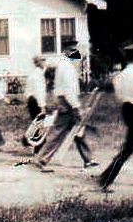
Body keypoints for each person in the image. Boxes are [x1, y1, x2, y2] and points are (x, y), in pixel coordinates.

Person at [35, 40, 98, 170]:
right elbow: (68, 90)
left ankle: (88, 159)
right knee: (59, 132)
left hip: (66, 101)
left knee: (78, 129)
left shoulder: (66, 65)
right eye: (71, 50)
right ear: (65, 52)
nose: (74, 53)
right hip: (67, 103)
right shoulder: (66, 67)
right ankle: (42, 159)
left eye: (75, 50)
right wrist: (75, 106)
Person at [96, 43, 133, 189]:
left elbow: (119, 96)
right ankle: (105, 179)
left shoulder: (120, 76)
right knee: (129, 149)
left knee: (131, 147)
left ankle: (105, 179)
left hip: (127, 110)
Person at [22, 55, 47, 153]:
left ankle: (33, 144)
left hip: (32, 100)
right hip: (36, 101)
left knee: (37, 124)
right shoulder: (38, 75)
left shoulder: (34, 73)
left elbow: (27, 91)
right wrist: (42, 105)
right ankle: (33, 144)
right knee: (39, 124)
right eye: (42, 61)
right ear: (38, 63)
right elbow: (39, 91)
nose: (44, 63)